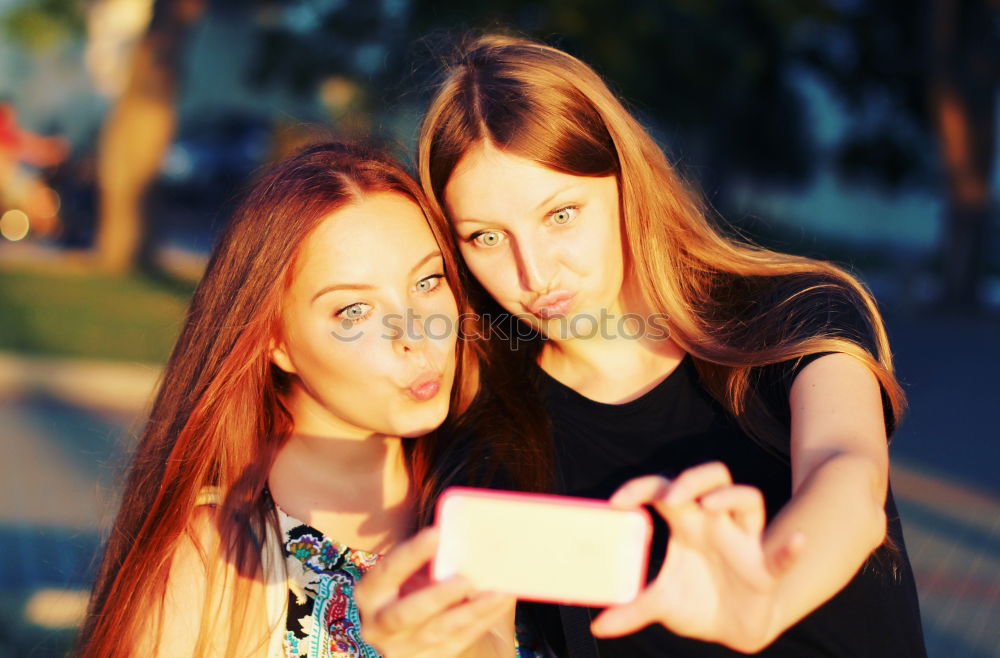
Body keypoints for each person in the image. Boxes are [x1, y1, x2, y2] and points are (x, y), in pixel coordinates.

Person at [416, 34, 927, 657]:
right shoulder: (487, 421)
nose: (535, 272)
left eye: (561, 214)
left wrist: (771, 590)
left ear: (626, 183)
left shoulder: (793, 312)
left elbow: (845, 472)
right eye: (486, 238)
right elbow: (490, 632)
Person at [76, 142, 520, 657]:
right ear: (275, 341)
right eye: (354, 311)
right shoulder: (217, 560)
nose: (417, 334)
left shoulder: (490, 501)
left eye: (427, 281)